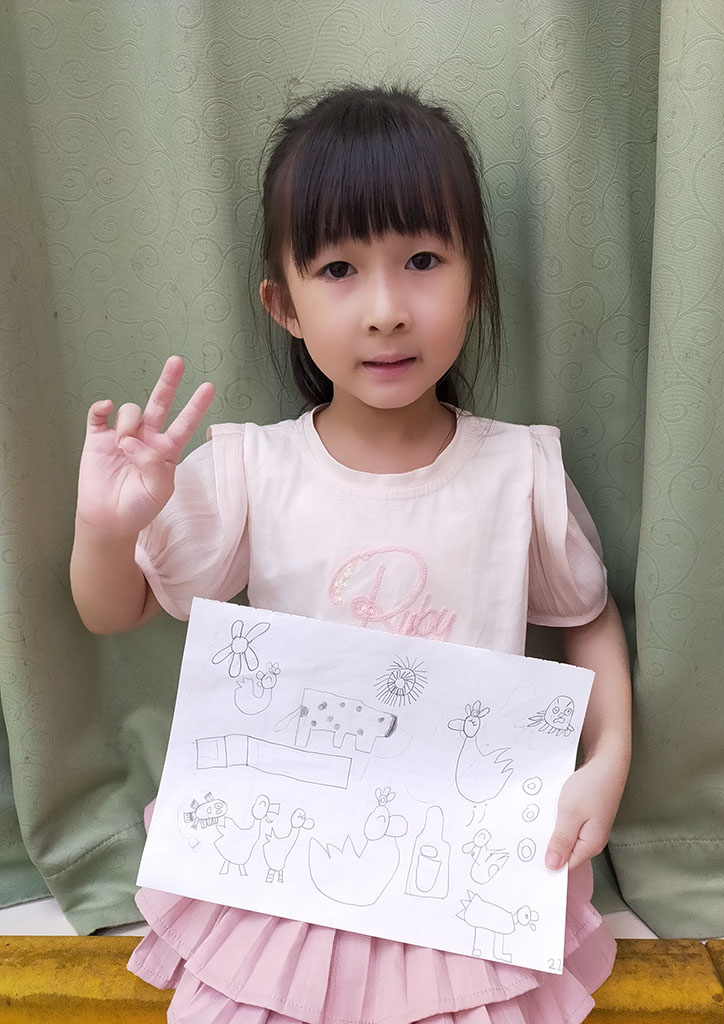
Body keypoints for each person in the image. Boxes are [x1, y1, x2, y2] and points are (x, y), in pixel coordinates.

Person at [71, 84, 631, 1024]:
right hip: (286, 868)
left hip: (462, 866)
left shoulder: (519, 474)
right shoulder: (251, 471)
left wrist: (606, 761)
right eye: (337, 269)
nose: (385, 310)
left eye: (423, 261)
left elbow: (589, 617)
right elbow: (111, 609)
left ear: (475, 281)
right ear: (283, 304)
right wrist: (105, 527)